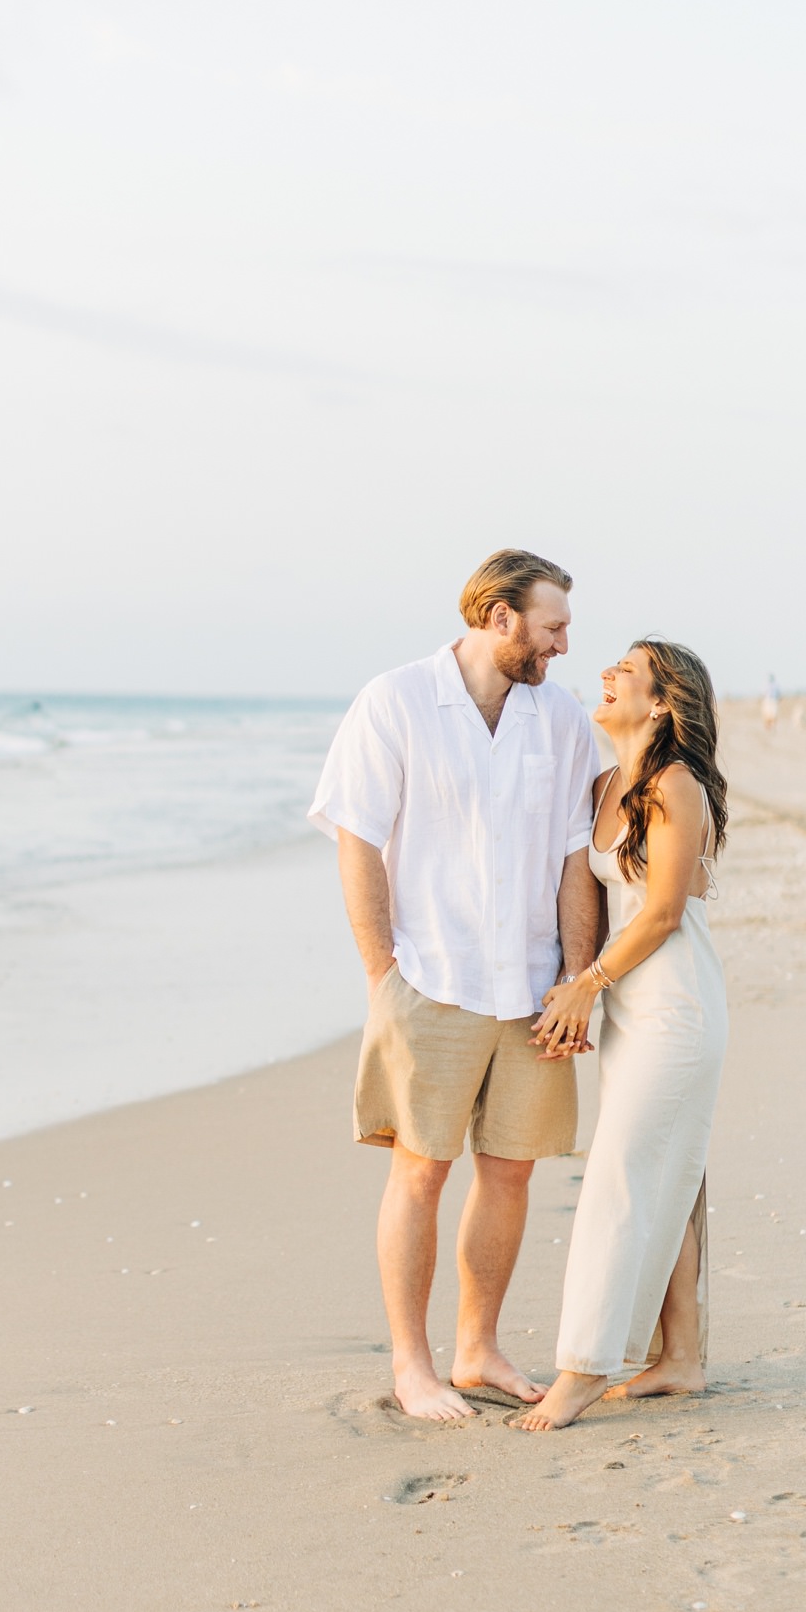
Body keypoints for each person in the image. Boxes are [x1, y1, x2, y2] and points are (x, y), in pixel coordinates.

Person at [309, 549, 602, 1422]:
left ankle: (477, 1348)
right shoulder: (395, 701)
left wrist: (576, 978)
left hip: (532, 986)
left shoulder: (562, 718)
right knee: (420, 1173)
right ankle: (412, 1365)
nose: (561, 646)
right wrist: (381, 976)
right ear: (498, 615)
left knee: (510, 1174)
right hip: (429, 980)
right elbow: (356, 840)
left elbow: (574, 857)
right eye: (552, 627)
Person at [516, 639, 729, 1432]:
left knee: (618, 1178)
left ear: (664, 703)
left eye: (626, 672)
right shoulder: (609, 785)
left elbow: (665, 913)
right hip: (630, 1014)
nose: (605, 676)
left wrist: (586, 985)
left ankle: (582, 1366)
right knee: (668, 1175)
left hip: (677, 1009)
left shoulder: (676, 785)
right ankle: (680, 1358)